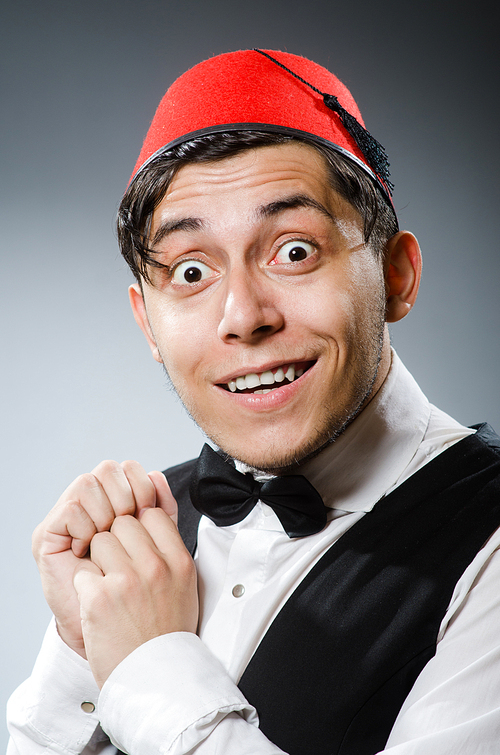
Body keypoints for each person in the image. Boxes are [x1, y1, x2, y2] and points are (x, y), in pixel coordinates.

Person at [7, 49, 500, 755]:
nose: (242, 314)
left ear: (395, 276)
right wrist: (83, 645)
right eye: (191, 270)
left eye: (294, 251)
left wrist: (151, 665)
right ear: (147, 322)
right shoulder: (145, 533)